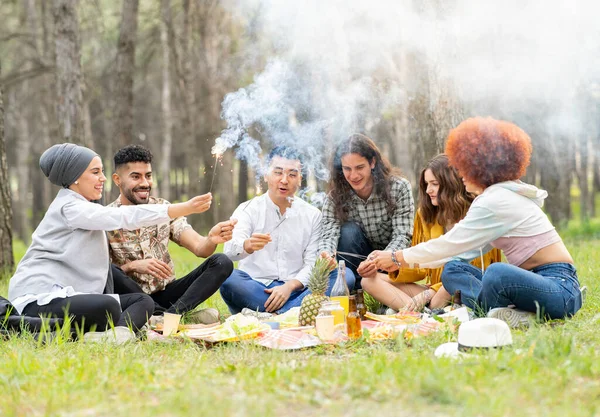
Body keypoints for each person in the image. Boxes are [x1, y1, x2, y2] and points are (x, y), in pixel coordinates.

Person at [370, 117, 582, 327]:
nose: (460, 175)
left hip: (559, 288)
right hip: (531, 286)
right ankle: (509, 313)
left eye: (465, 167)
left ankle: (499, 313)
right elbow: (453, 253)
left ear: (482, 168)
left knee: (497, 272)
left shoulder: (496, 200)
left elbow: (449, 243)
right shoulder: (496, 196)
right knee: (453, 269)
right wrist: (400, 260)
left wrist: (397, 257)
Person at [8, 143, 213, 342]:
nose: (103, 178)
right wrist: (183, 208)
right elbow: (123, 216)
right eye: (95, 172)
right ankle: (53, 330)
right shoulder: (69, 207)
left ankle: (117, 334)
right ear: (75, 177)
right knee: (108, 307)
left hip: (72, 298)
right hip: (39, 300)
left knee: (142, 301)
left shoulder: (83, 207)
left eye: (102, 171)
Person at [220, 146, 355, 315]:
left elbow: (313, 263)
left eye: (292, 174)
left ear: (300, 179)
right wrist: (247, 245)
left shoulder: (312, 215)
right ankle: (296, 313)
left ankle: (274, 314)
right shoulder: (248, 209)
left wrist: (290, 286)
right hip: (258, 289)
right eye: (278, 172)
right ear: (266, 174)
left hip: (300, 290)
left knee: (345, 275)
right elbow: (229, 252)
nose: (284, 180)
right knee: (228, 278)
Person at [107, 145, 234, 323]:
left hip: (166, 292)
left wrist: (211, 239)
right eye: (135, 176)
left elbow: (200, 248)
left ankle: (169, 317)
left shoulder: (164, 209)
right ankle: (174, 317)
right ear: (117, 179)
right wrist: (133, 266)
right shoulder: (105, 217)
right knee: (110, 271)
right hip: (131, 298)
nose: (144, 183)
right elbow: (101, 276)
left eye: (148, 176)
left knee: (222, 262)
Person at [359, 154, 502, 312]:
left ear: (451, 184)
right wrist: (394, 264)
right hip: (434, 291)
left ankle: (422, 310)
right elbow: (421, 266)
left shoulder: (476, 212)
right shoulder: (425, 215)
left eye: (434, 184)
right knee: (369, 281)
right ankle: (425, 314)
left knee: (447, 284)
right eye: (426, 184)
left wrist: (431, 292)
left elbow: (471, 271)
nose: (428, 190)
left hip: (465, 288)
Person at [318, 133, 414, 287]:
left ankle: (382, 288)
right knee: (348, 232)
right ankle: (357, 291)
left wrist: (378, 261)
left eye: (359, 167)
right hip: (357, 266)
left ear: (373, 162)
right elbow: (328, 234)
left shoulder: (399, 188)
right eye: (347, 169)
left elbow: (403, 236)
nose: (353, 175)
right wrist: (326, 255)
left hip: (391, 261)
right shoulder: (335, 197)